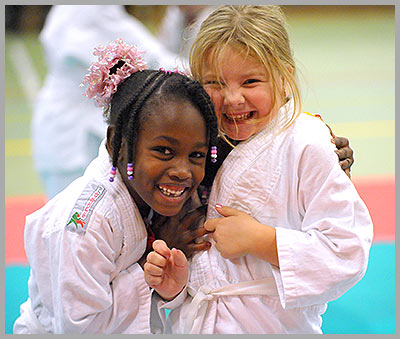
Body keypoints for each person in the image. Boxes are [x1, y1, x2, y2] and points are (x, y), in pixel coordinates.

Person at [144, 5, 373, 334]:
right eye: (215, 83)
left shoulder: (308, 144)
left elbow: (346, 253)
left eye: (250, 81)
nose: (233, 98)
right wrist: (177, 286)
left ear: (283, 77)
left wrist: (261, 240)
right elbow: (209, 268)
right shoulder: (197, 143)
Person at [13, 39, 219, 333]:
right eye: (163, 151)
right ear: (116, 144)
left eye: (196, 155)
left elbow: (162, 303)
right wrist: (151, 260)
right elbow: (78, 328)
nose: (183, 171)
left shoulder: (152, 195)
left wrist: (169, 280)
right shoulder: (84, 223)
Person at [31, 5, 185, 199]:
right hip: (71, 133)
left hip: (63, 124)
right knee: (73, 214)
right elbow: (152, 58)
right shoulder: (94, 10)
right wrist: (200, 70)